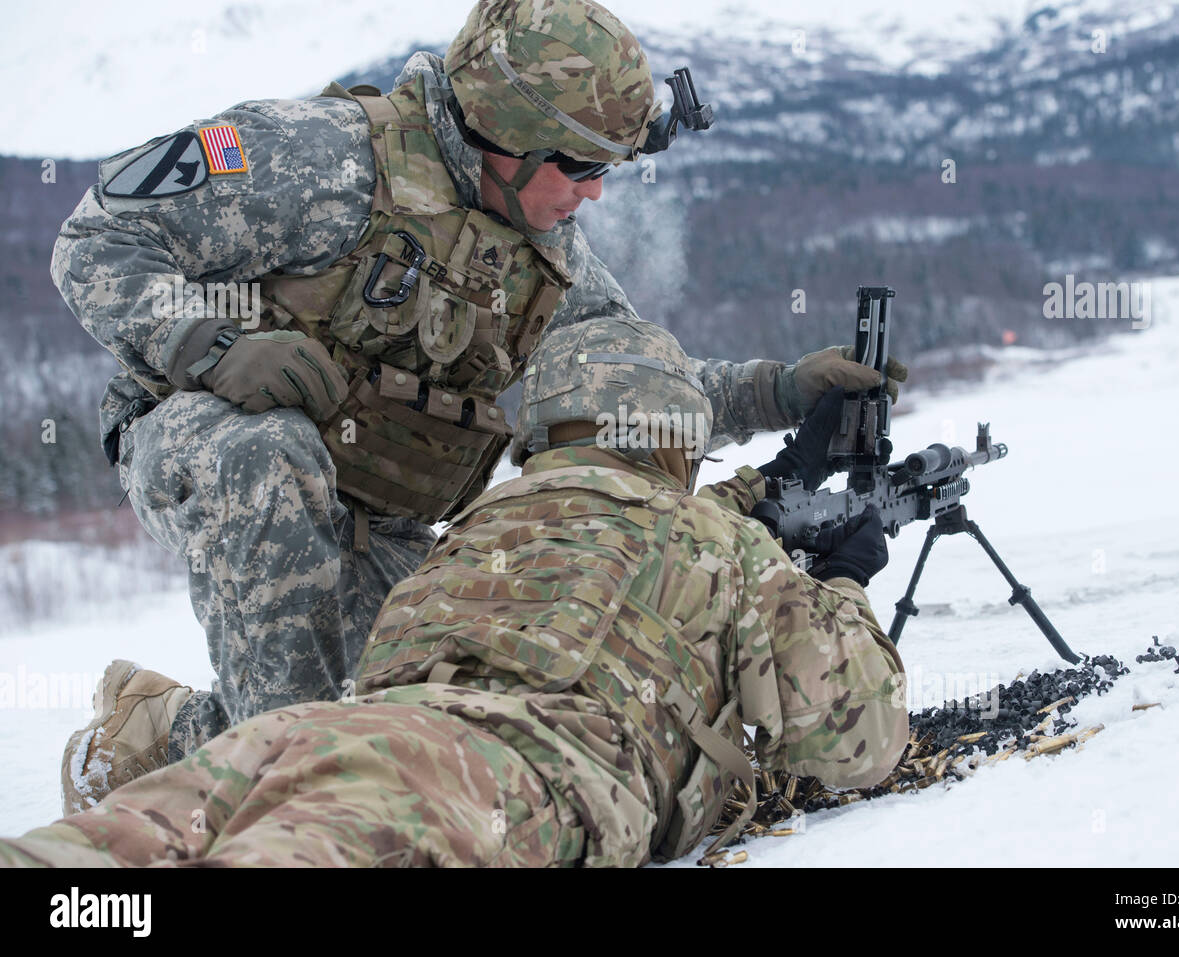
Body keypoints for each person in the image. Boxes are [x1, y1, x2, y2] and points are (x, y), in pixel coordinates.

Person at [52, 0, 907, 815]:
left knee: (422, 712)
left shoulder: (543, 253)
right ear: (508, 137)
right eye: (581, 166)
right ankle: (275, 798)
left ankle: (154, 734)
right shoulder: (318, 159)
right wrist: (209, 345)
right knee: (277, 514)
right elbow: (94, 237)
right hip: (209, 444)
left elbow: (626, 391)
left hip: (378, 513)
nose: (597, 194)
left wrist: (784, 390)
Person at [2, 317, 907, 867]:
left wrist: (769, 491)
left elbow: (619, 546)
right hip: (480, 778)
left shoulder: (488, 522)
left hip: (314, 734)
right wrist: (842, 581)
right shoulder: (714, 543)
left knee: (83, 875)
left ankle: (131, 752)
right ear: (677, 440)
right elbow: (860, 737)